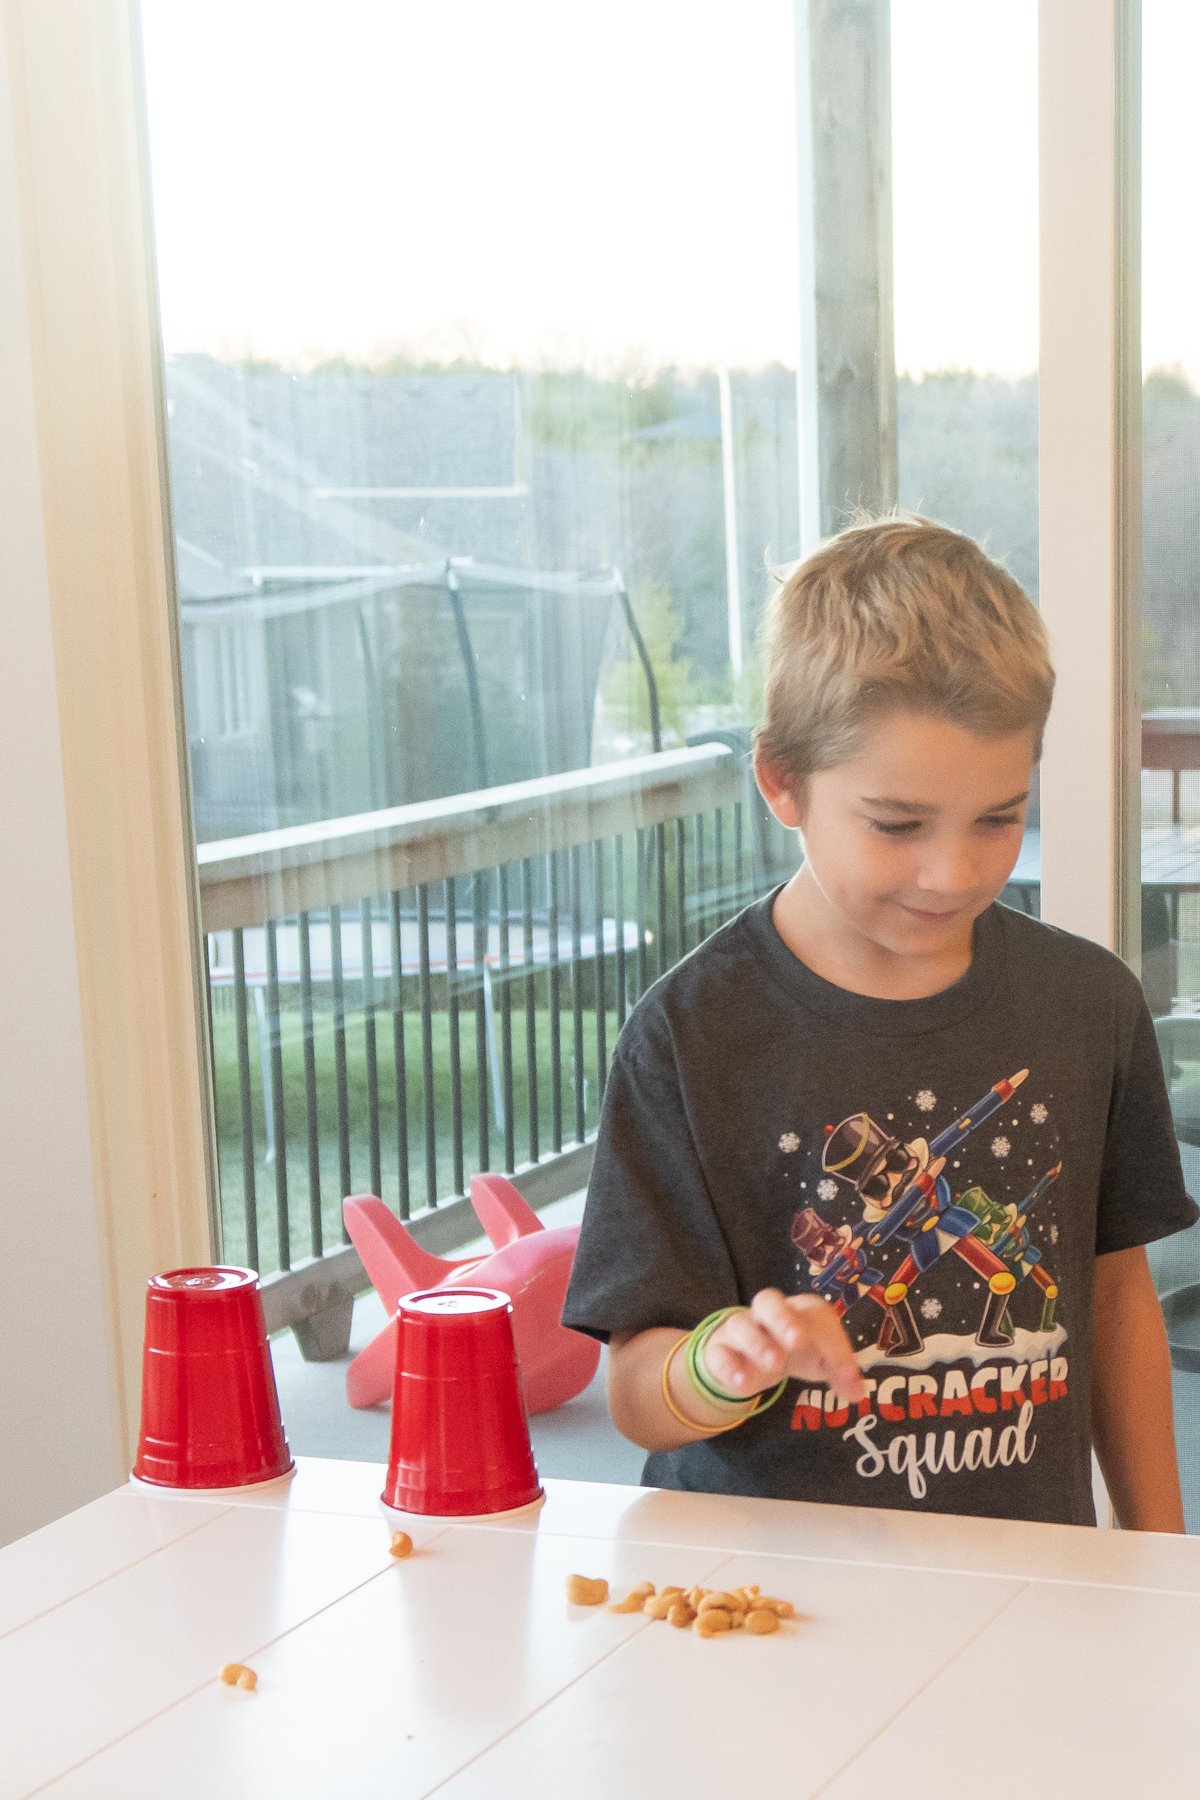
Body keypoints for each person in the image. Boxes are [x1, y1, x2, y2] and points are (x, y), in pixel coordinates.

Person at [562, 515, 1198, 1528]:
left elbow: (1116, 1303)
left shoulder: (1089, 1006)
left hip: (1024, 1582)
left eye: (999, 815)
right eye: (897, 825)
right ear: (782, 781)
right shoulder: (689, 1034)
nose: (954, 872)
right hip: (764, 1596)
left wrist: (1167, 1566)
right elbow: (635, 1394)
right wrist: (718, 1366)